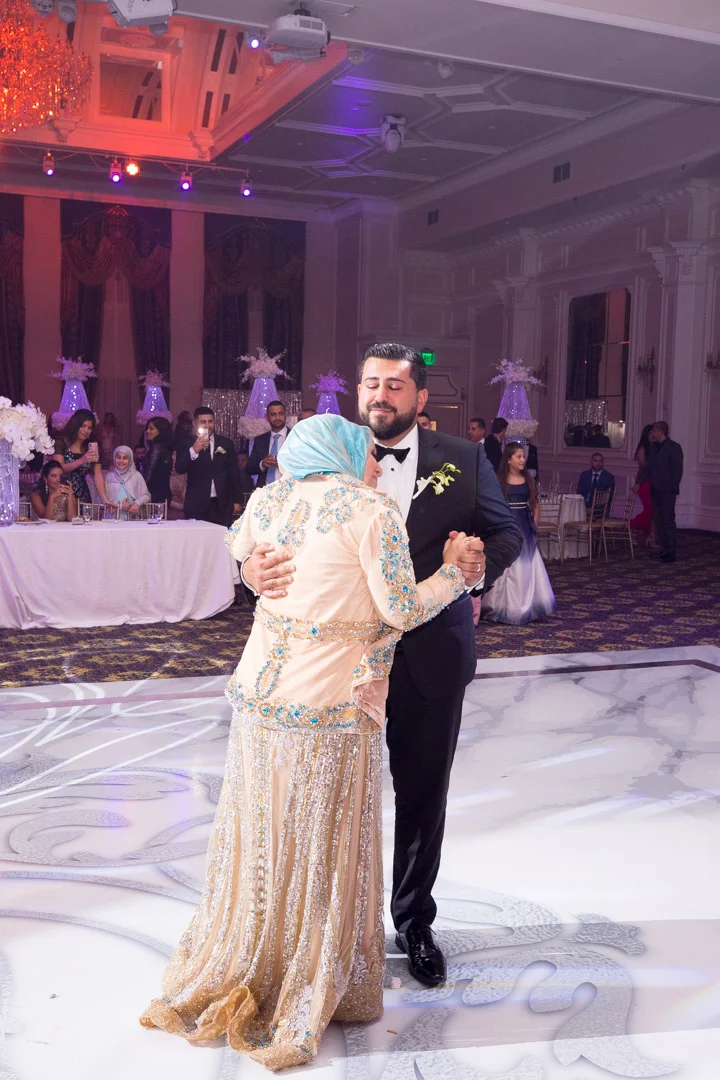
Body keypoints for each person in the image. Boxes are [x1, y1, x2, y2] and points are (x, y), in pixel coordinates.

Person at [140, 414, 471, 1068]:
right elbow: (401, 609)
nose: (375, 465)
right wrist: (454, 572)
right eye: (367, 453)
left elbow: (238, 545)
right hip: (329, 705)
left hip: (261, 702)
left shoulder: (269, 499)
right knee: (318, 839)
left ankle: (255, 953)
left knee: (265, 835)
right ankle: (307, 973)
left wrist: (250, 569)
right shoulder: (370, 510)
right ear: (341, 453)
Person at [242, 344, 522, 988]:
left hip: (430, 656)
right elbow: (267, 528)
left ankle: (414, 921)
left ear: (420, 398)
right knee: (332, 798)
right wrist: (250, 567)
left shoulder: (462, 457)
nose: (379, 395)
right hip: (336, 667)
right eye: (371, 383)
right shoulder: (324, 451)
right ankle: (329, 928)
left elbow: (505, 530)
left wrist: (476, 566)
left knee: (422, 795)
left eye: (395, 385)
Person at [481, 443, 556, 625]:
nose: (523, 460)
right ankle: (499, 606)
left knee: (525, 565)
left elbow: (536, 504)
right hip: (506, 524)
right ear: (508, 460)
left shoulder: (528, 479)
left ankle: (524, 605)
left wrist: (535, 522)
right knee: (507, 563)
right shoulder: (499, 481)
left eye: (523, 456)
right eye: (519, 457)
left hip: (524, 524)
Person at [175, 407, 242, 526]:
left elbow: (233, 472)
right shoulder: (186, 442)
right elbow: (179, 468)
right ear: (195, 423)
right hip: (196, 503)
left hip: (222, 504)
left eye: (210, 421)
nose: (207, 425)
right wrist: (194, 450)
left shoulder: (225, 443)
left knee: (222, 536)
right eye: (203, 422)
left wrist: (237, 500)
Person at [636, 420, 683, 563]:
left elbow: (677, 470)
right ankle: (663, 549)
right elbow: (647, 467)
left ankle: (670, 551)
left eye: (654, 431)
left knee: (667, 520)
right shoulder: (653, 447)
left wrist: (670, 486)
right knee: (658, 520)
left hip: (667, 491)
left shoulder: (674, 447)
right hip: (655, 490)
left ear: (661, 432)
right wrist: (639, 482)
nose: (652, 433)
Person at [52, 408, 110, 506]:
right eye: (83, 426)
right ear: (75, 425)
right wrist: (82, 460)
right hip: (63, 492)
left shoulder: (91, 446)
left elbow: (97, 473)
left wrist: (104, 499)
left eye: (89, 428)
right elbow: (58, 468)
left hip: (83, 495)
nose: (86, 430)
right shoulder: (61, 442)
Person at [246, 401, 289, 487]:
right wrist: (262, 464)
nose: (277, 417)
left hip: (288, 489)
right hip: (264, 489)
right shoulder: (260, 440)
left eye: (280, 414)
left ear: (285, 415)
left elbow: (303, 466)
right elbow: (249, 468)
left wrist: (283, 464)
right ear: (267, 417)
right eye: (273, 414)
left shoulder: (295, 437)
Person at [104, 446, 151, 518]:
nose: (121, 461)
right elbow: (101, 500)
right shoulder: (109, 476)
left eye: (125, 458)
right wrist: (120, 506)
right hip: (111, 519)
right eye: (118, 457)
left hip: (132, 519)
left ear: (130, 459)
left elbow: (146, 495)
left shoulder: (136, 475)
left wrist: (137, 503)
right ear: (114, 458)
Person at [142, 417, 174, 505]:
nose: (147, 431)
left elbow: (150, 471)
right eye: (147, 428)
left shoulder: (157, 447)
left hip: (155, 494)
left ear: (161, 431)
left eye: (151, 429)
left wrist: (142, 489)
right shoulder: (165, 446)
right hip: (163, 492)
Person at [630, 424, 654, 539]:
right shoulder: (643, 448)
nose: (653, 435)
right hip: (644, 481)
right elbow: (643, 467)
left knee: (652, 509)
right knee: (650, 509)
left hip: (653, 481)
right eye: (650, 433)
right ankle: (631, 524)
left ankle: (647, 533)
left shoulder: (654, 447)